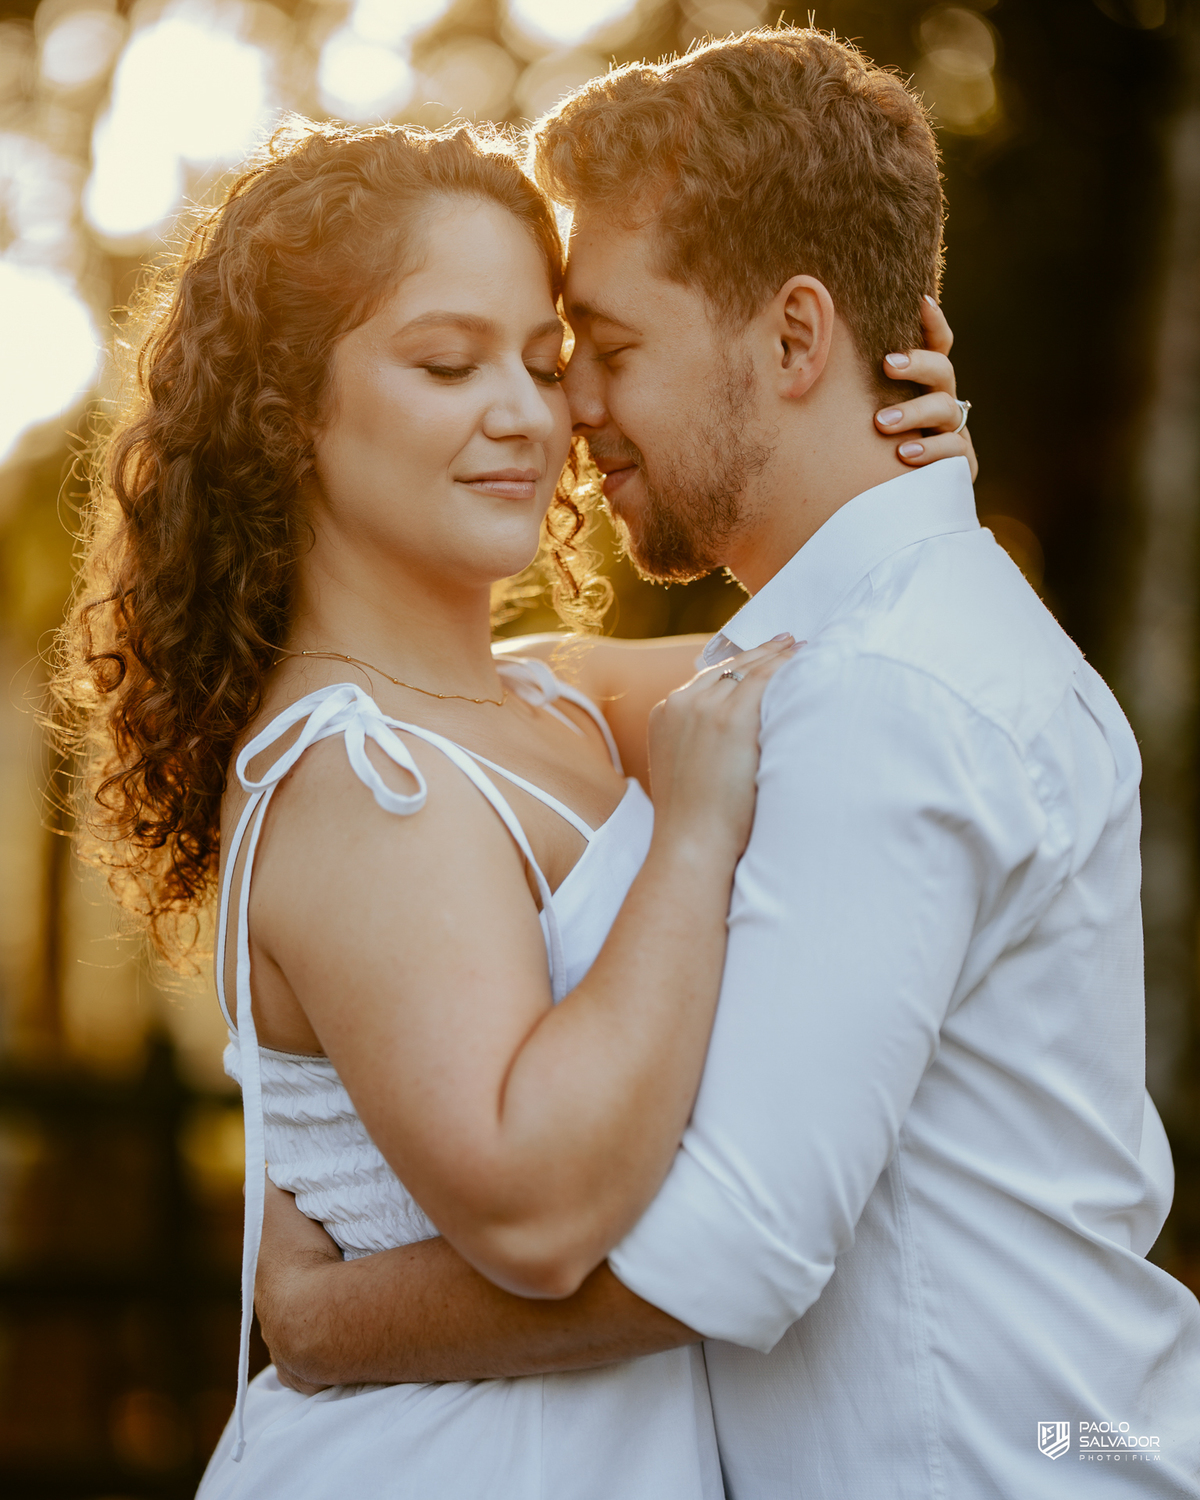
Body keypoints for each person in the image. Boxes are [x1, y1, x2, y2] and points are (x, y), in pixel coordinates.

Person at [255, 26, 1200, 1500]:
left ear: (797, 337)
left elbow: (733, 1254)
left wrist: (323, 1320)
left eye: (608, 351)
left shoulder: (887, 692)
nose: (571, 411)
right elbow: (523, 696)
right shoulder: (873, 647)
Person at [51, 100, 971, 1499]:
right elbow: (538, 1212)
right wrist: (696, 843)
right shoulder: (360, 783)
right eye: (445, 362)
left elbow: (868, 667)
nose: (527, 416)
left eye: (546, 364)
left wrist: (906, 474)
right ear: (288, 407)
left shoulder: (548, 698)